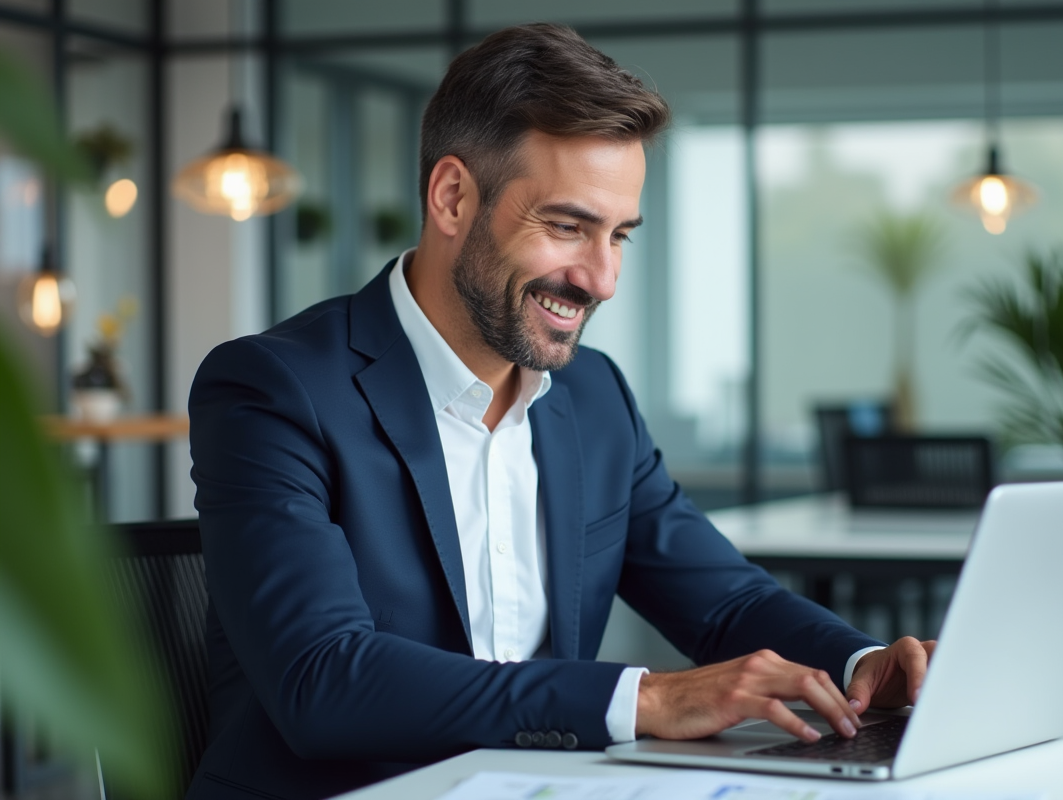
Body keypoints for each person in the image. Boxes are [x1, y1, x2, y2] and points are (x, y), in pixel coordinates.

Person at [187, 23, 934, 800]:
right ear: (452, 197)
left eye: (619, 236)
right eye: (568, 226)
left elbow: (725, 602)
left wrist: (862, 665)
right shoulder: (273, 388)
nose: (603, 279)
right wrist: (643, 699)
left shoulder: (593, 395)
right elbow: (322, 678)